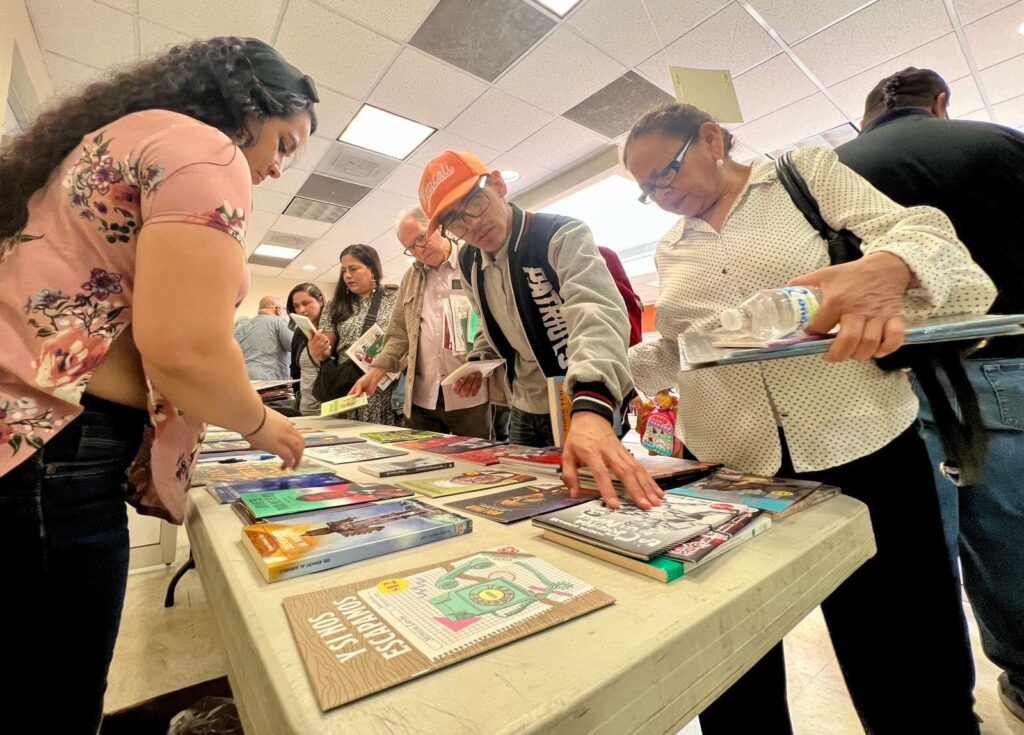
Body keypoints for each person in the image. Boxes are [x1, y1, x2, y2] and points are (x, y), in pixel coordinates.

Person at [622, 102, 996, 734]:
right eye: (646, 190)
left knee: (902, 646)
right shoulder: (670, 248)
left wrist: (888, 267)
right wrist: (598, 379)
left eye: (666, 174)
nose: (660, 196)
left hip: (860, 441)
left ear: (710, 138)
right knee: (737, 652)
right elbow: (681, 348)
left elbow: (920, 232)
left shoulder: (800, 176)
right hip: (733, 468)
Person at [0, 36, 315, 732]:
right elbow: (184, 346)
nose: (279, 167)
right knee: (59, 692)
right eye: (285, 142)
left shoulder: (118, 138)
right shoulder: (208, 152)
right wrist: (264, 426)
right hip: (58, 449)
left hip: (33, 439)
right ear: (251, 104)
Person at [835, 66, 1024, 723]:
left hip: (883, 388)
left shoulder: (831, 170)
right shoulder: (999, 142)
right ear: (940, 103)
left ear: (866, 116)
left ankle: (943, 712)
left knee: (916, 566)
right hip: (1006, 371)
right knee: (1013, 546)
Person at [418, 150, 663, 511]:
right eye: (455, 222)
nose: (471, 225)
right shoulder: (470, 261)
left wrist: (592, 406)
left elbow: (596, 314)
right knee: (525, 505)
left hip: (579, 400)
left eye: (475, 202)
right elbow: (492, 321)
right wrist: (479, 359)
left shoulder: (560, 234)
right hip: (525, 405)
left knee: (592, 505)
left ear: (499, 184)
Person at [350, 206, 495, 439]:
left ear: (438, 226)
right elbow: (399, 333)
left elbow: (494, 320)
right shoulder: (411, 277)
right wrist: (375, 373)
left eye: (421, 238)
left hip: (470, 393)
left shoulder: (474, 261)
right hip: (421, 397)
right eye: (410, 248)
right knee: (423, 463)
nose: (419, 250)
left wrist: (479, 365)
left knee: (475, 465)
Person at [308, 243, 400, 425]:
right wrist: (319, 350)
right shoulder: (334, 305)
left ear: (372, 269)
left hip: (384, 386)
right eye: (343, 270)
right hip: (349, 385)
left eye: (353, 269)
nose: (347, 276)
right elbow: (328, 347)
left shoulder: (396, 298)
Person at [286, 282, 326, 416]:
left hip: (332, 408)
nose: (301, 310)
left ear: (320, 301)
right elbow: (295, 369)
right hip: (306, 407)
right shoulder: (299, 333)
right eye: (296, 306)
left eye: (306, 303)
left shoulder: (334, 330)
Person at [234, 294, 293, 379]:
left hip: (241, 379)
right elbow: (295, 347)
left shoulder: (241, 325)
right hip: (268, 382)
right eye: (285, 310)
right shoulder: (279, 321)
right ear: (278, 309)